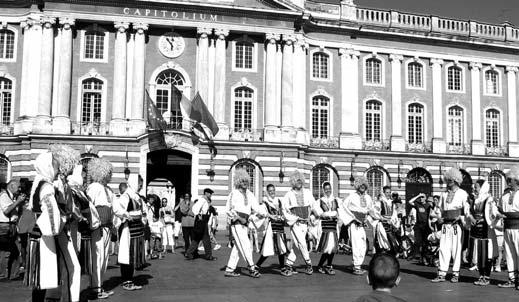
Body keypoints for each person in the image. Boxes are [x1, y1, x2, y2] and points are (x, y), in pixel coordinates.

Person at [24, 152, 65, 302]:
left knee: (40, 278)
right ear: (48, 166)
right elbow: (51, 216)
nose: (58, 169)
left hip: (37, 234)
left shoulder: (38, 182)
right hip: (44, 237)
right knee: (44, 276)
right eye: (56, 165)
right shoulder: (47, 187)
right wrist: (62, 222)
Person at [50, 144, 82, 302]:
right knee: (69, 268)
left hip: (65, 230)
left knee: (71, 267)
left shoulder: (64, 184)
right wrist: (69, 216)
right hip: (59, 231)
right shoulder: (55, 185)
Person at [431, 167, 469, 283]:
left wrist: (462, 217)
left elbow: (467, 209)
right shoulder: (443, 194)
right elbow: (439, 209)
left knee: (456, 249)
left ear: (456, 181)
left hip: (456, 225)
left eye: (450, 181)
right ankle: (442, 273)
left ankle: (455, 273)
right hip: (445, 225)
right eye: (447, 180)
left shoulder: (463, 193)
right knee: (443, 248)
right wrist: (439, 217)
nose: (448, 183)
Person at [342, 176, 386, 275]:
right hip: (354, 224)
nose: (362, 187)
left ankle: (355, 264)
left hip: (362, 225)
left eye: (364, 185)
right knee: (356, 244)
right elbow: (343, 208)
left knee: (363, 245)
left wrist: (378, 217)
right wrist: (352, 219)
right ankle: (357, 267)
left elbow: (371, 210)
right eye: (361, 185)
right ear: (357, 186)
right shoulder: (351, 196)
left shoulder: (368, 197)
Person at [225, 169, 264, 277]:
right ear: (238, 182)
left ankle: (229, 269)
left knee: (237, 247)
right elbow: (228, 209)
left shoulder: (250, 194)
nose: (245, 183)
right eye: (242, 181)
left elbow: (257, 207)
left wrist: (265, 214)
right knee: (246, 245)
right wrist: (237, 217)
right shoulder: (234, 193)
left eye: (246, 181)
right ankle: (251, 268)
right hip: (237, 223)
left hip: (245, 223)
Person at [86, 157, 115, 299]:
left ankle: (99, 285)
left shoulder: (108, 189)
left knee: (104, 258)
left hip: (107, 227)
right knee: (97, 257)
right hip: (98, 228)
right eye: (109, 172)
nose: (111, 175)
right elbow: (88, 207)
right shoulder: (94, 187)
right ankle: (95, 287)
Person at [282, 170, 317, 276]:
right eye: (297, 180)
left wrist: (313, 217)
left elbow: (314, 207)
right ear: (293, 182)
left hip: (305, 224)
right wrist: (294, 219)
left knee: (297, 246)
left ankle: (288, 265)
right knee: (302, 243)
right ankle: (309, 263)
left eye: (300, 180)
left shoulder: (307, 193)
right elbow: (284, 211)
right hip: (296, 224)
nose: (299, 182)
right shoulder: (288, 195)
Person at [113, 179, 145, 291]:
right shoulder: (126, 196)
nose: (141, 186)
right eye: (140, 184)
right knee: (126, 254)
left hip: (136, 229)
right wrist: (126, 215)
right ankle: (126, 281)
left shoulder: (136, 196)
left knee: (132, 254)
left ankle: (129, 279)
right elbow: (116, 208)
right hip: (128, 229)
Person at [255, 184, 289, 275]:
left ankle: (282, 267)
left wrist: (282, 217)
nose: (272, 192)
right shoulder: (265, 202)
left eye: (273, 190)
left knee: (281, 246)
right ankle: (257, 266)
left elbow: (283, 212)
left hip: (280, 226)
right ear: (267, 192)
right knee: (268, 248)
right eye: (270, 191)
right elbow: (261, 213)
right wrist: (270, 215)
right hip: (271, 227)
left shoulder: (279, 201)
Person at [466, 179, 494, 286]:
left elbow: (491, 214)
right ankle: (481, 275)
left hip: (486, 231)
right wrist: (471, 217)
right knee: (478, 253)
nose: (474, 188)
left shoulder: (489, 199)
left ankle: (486, 277)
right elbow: (468, 211)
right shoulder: (475, 199)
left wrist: (483, 220)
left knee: (487, 253)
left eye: (476, 186)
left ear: (482, 187)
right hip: (475, 229)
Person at [496, 166, 519, 289]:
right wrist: (498, 214)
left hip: (518, 228)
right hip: (507, 227)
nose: (508, 181)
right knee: (509, 253)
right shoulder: (504, 195)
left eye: (510, 179)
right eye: (507, 179)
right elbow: (499, 208)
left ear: (516, 179)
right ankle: (512, 279)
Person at [0, 180, 24, 280]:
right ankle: (3, 274)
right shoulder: (4, 195)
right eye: (18, 187)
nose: (20, 189)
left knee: (15, 251)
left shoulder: (11, 196)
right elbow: (6, 211)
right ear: (11, 185)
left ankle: (13, 274)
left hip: (12, 226)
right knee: (5, 251)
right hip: (5, 226)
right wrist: (18, 201)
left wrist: (19, 203)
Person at [185, 188, 217, 261]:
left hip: (203, 221)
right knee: (206, 239)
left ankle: (189, 253)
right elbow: (194, 208)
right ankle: (208, 256)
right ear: (206, 193)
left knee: (197, 238)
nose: (211, 195)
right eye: (209, 193)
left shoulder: (206, 201)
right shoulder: (202, 200)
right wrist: (198, 215)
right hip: (202, 221)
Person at [315, 181, 339, 275]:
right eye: (326, 189)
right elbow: (317, 213)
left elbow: (339, 211)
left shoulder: (336, 200)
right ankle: (322, 265)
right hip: (325, 226)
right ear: (323, 190)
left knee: (332, 247)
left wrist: (338, 217)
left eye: (329, 189)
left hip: (333, 226)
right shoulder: (320, 201)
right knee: (327, 247)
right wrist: (324, 215)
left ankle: (327, 265)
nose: (328, 190)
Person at [374, 186, 400, 255]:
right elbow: (376, 212)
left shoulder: (392, 203)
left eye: (389, 192)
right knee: (383, 239)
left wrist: (394, 221)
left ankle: (392, 252)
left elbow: (394, 214)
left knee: (392, 239)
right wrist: (381, 218)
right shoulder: (380, 202)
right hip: (382, 223)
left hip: (390, 223)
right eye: (387, 192)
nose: (388, 194)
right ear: (384, 193)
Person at [408, 193, 432, 265]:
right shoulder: (417, 204)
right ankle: (414, 254)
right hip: (418, 225)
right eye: (420, 197)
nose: (421, 199)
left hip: (426, 226)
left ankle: (423, 258)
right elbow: (410, 202)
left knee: (425, 243)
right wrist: (418, 195)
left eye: (423, 197)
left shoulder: (428, 205)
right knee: (417, 241)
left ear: (425, 198)